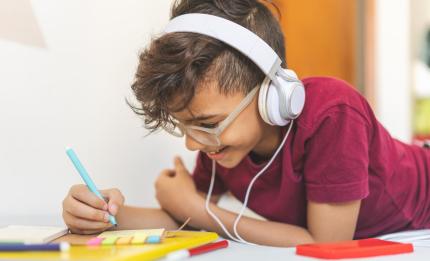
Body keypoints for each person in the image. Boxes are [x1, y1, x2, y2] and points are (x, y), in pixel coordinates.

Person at [62, 0, 430, 247]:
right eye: (184, 126)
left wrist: (196, 208)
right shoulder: (222, 144)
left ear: (272, 94)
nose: (193, 144)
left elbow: (326, 244)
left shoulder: (332, 113)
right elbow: (186, 218)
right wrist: (105, 215)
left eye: (206, 123)